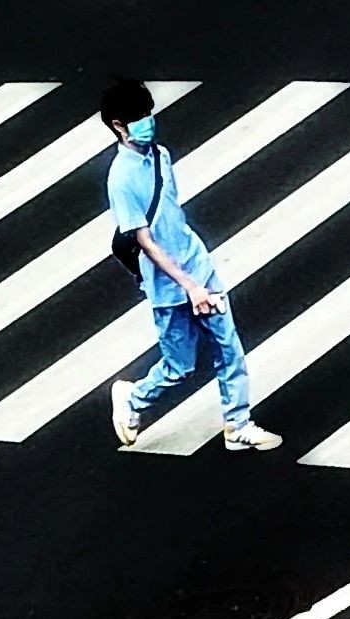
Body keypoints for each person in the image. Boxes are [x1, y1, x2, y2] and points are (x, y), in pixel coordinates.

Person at [100, 79, 281, 452]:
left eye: (149, 114)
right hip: (168, 285)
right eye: (138, 117)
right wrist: (189, 287)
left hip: (198, 265)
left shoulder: (161, 155)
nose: (148, 122)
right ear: (119, 125)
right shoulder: (120, 179)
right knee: (179, 366)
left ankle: (238, 424)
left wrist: (199, 279)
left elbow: (172, 215)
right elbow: (144, 241)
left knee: (228, 347)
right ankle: (132, 399)